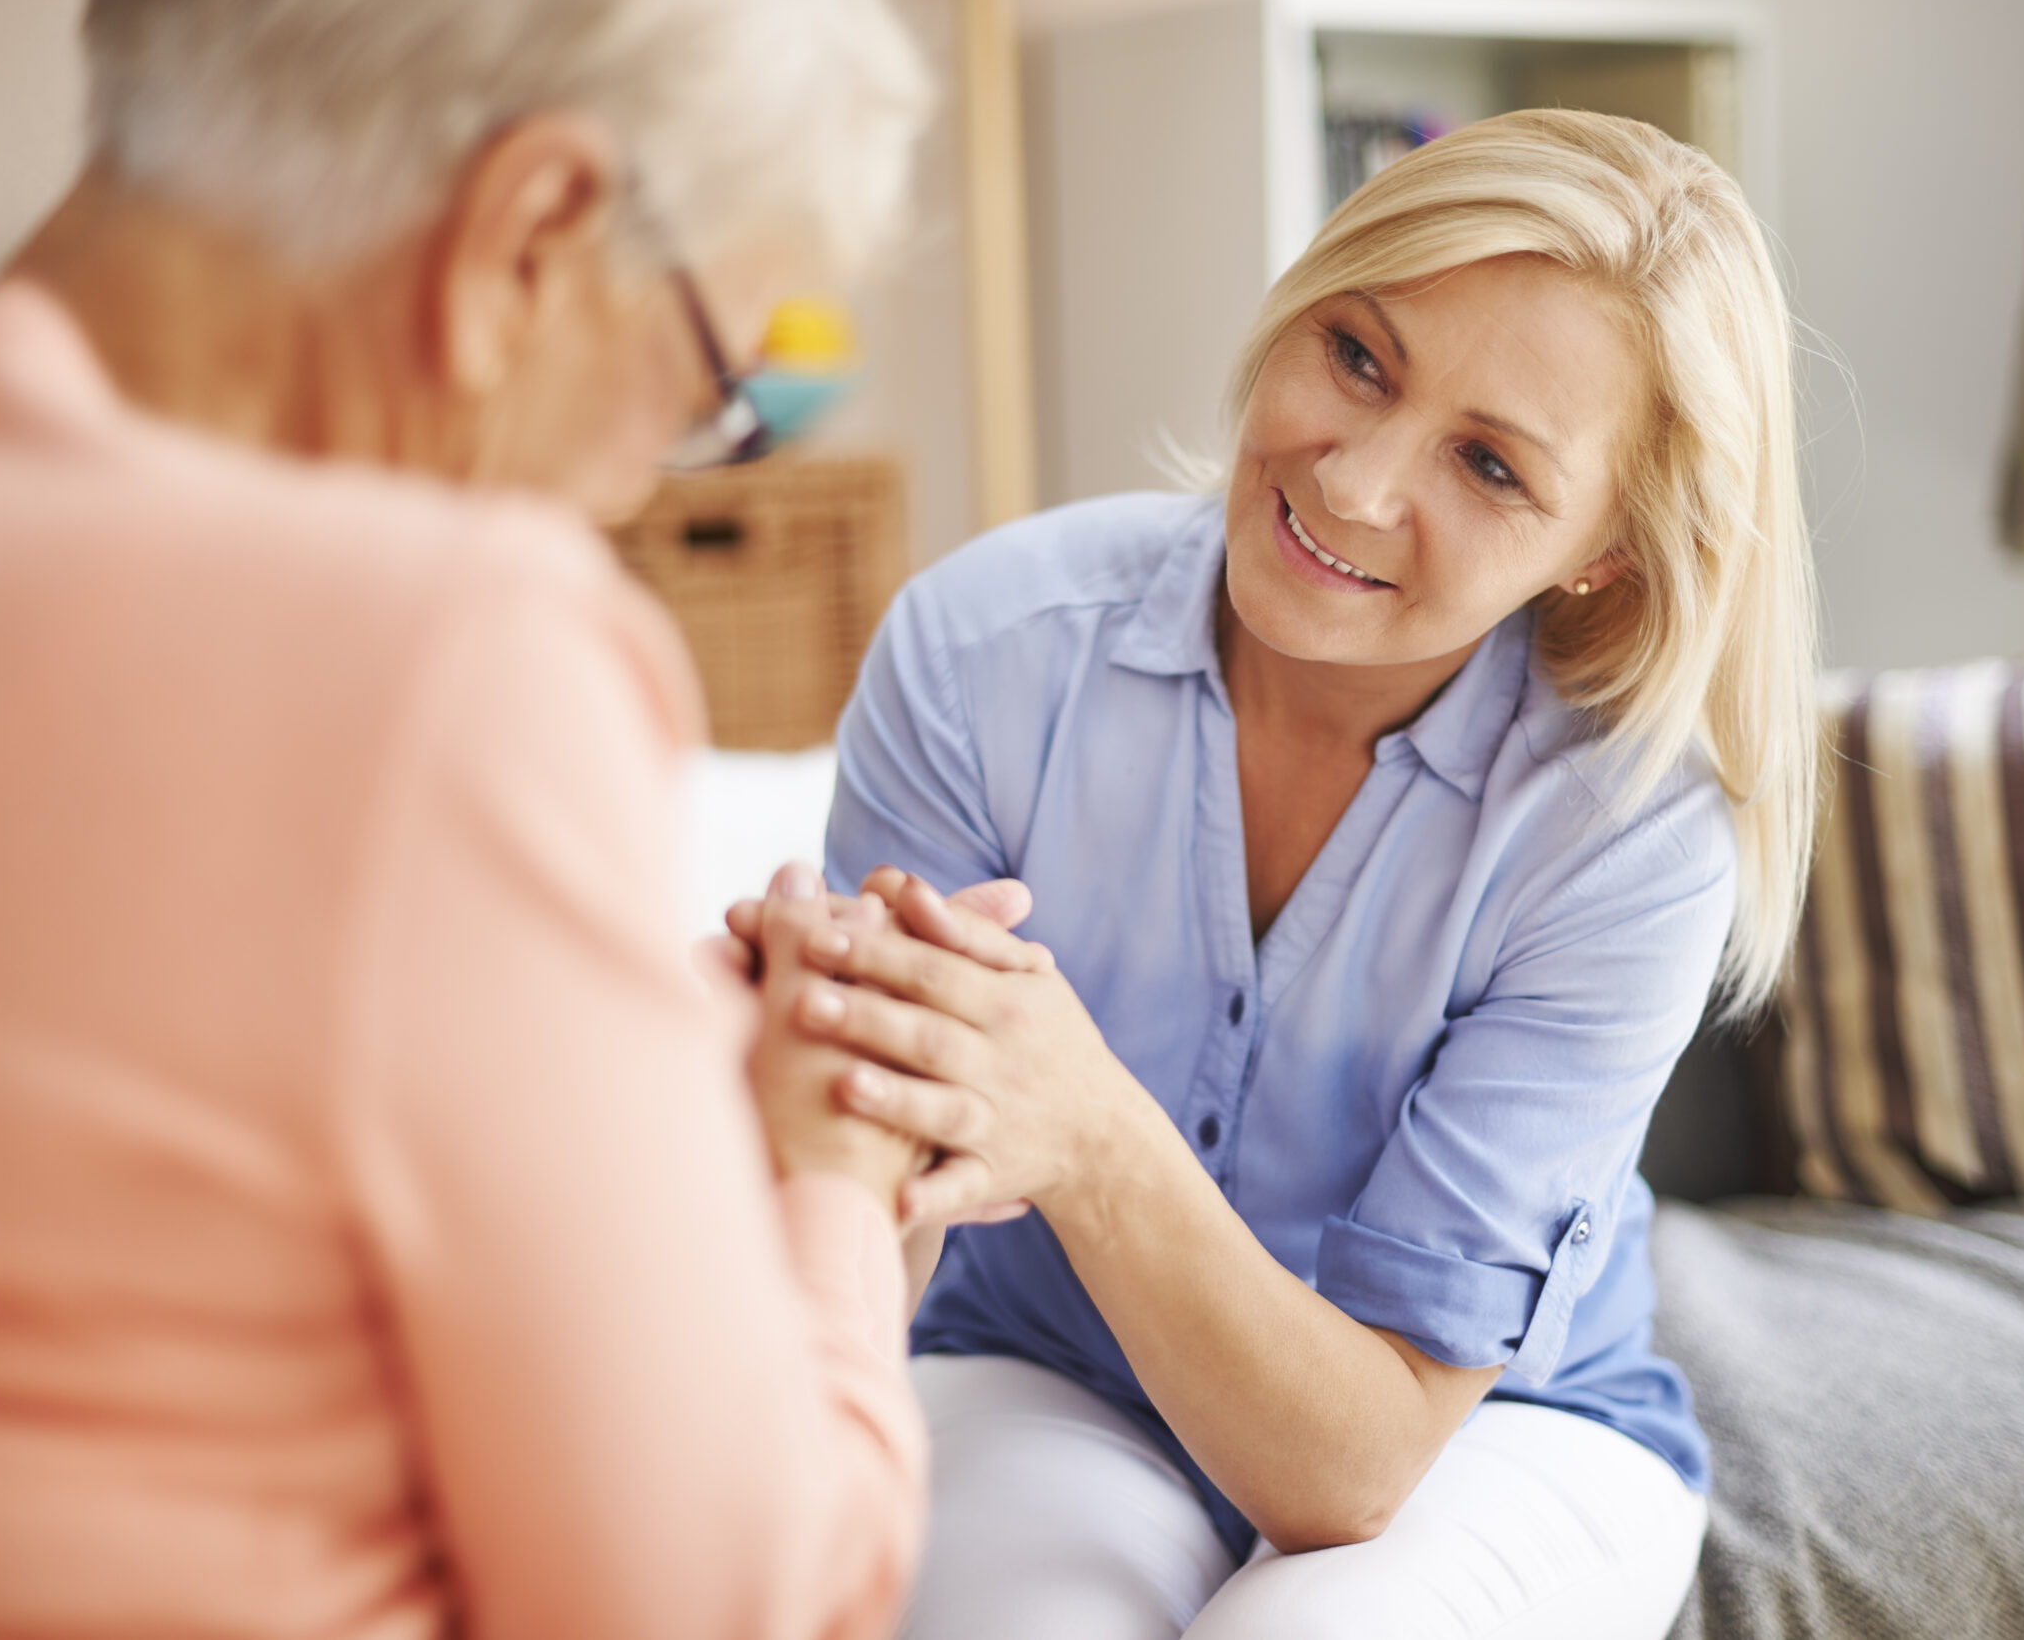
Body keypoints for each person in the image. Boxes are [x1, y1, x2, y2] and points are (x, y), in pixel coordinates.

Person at [0, 0, 964, 1636]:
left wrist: (621, 1062)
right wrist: (838, 1192)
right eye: (699, 388)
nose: (632, 490)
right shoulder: (454, 656)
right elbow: (723, 1603)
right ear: (533, 229)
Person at [772, 110, 1822, 1638]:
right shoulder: (981, 653)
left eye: (1489, 464)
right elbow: (868, 1230)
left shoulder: (1626, 835)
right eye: (1357, 357)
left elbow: (1354, 1469)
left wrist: (1082, 1125)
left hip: (1489, 1439)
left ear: (1608, 553)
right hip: (1046, 1372)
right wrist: (809, 1099)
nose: (1355, 483)